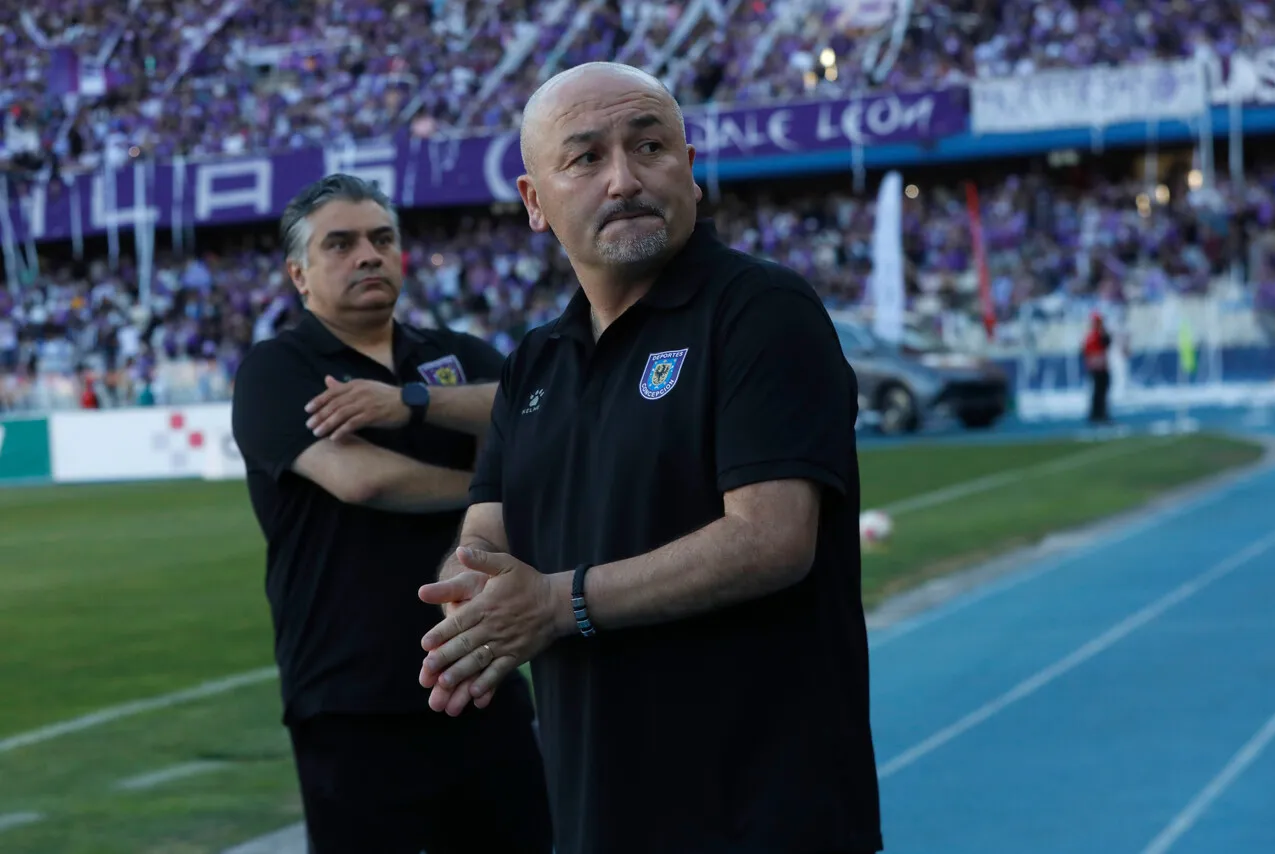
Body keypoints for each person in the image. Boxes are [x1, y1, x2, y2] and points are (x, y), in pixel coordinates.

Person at [417, 63, 883, 854]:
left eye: (650, 147)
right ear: (535, 202)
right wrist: (473, 596)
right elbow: (486, 529)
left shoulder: (761, 311)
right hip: (596, 814)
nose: (625, 179)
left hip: (758, 820)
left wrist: (555, 604)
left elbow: (771, 538)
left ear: (691, 171)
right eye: (586, 157)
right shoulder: (535, 361)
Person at [230, 174, 553, 854]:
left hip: (481, 670)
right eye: (340, 244)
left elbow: (538, 411)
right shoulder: (276, 370)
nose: (368, 255)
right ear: (299, 274)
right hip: (350, 696)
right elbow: (360, 479)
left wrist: (410, 400)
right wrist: (487, 490)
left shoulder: (452, 356)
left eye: (381, 239)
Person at [1082, 311, 1112, 424]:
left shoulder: (1095, 335)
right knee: (1099, 392)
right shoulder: (1094, 336)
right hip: (1098, 368)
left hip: (1100, 367)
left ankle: (1097, 414)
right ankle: (1098, 415)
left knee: (1100, 392)